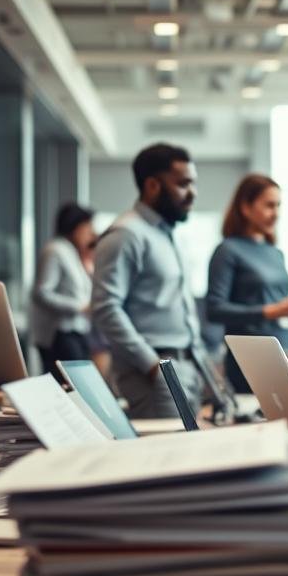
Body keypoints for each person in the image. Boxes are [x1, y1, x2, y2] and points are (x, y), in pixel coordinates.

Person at [91, 143, 205, 419]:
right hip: (153, 371)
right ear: (152, 185)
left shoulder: (166, 233)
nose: (193, 193)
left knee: (193, 458)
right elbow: (106, 308)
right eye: (183, 184)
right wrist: (152, 365)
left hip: (186, 364)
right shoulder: (126, 235)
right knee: (167, 457)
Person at [206, 174, 288, 393]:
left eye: (279, 205)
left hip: (285, 350)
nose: (276, 213)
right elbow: (215, 309)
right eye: (269, 205)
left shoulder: (275, 253)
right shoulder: (228, 250)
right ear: (246, 207)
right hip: (251, 358)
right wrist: (268, 312)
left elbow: (284, 311)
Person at [30, 203, 96, 377]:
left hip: (77, 331)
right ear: (74, 227)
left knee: (79, 385)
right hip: (61, 334)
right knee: (70, 386)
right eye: (87, 227)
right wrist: (79, 307)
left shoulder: (72, 252)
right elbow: (41, 293)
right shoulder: (55, 250)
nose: (90, 232)